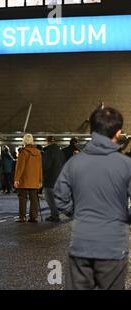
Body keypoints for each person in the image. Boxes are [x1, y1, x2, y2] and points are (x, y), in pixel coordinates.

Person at [55, 107, 131, 290]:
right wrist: (126, 217)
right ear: (118, 132)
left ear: (91, 131)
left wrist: (76, 212)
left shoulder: (74, 163)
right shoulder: (126, 165)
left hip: (82, 242)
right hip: (113, 245)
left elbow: (60, 196)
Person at [14, 134, 42, 223]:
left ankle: (22, 217)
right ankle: (33, 217)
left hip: (24, 179)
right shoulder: (38, 152)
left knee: (22, 198)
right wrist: (40, 180)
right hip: (34, 180)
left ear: (24, 141)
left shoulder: (23, 152)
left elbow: (20, 167)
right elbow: (40, 168)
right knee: (34, 198)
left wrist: (16, 179)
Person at [42, 136, 65, 223]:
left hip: (50, 179)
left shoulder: (48, 152)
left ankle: (54, 216)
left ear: (47, 141)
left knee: (50, 199)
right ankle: (56, 214)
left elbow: (45, 166)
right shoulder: (60, 152)